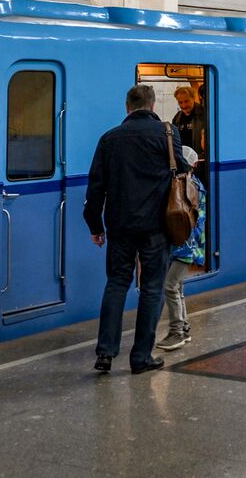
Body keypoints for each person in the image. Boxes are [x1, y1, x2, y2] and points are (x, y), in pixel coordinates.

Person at [84, 84, 188, 375]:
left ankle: (105, 353)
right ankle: (141, 357)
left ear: (127, 107)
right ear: (152, 106)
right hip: (157, 226)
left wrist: (95, 225)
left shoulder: (109, 138)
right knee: (152, 288)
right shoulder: (168, 133)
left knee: (117, 283)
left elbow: (95, 187)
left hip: (120, 225)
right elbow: (182, 169)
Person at [159, 146, 204, 351]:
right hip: (184, 246)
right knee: (177, 287)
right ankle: (184, 328)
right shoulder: (193, 184)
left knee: (170, 286)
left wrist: (183, 241)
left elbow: (192, 221)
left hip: (183, 247)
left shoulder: (185, 186)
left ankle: (177, 331)